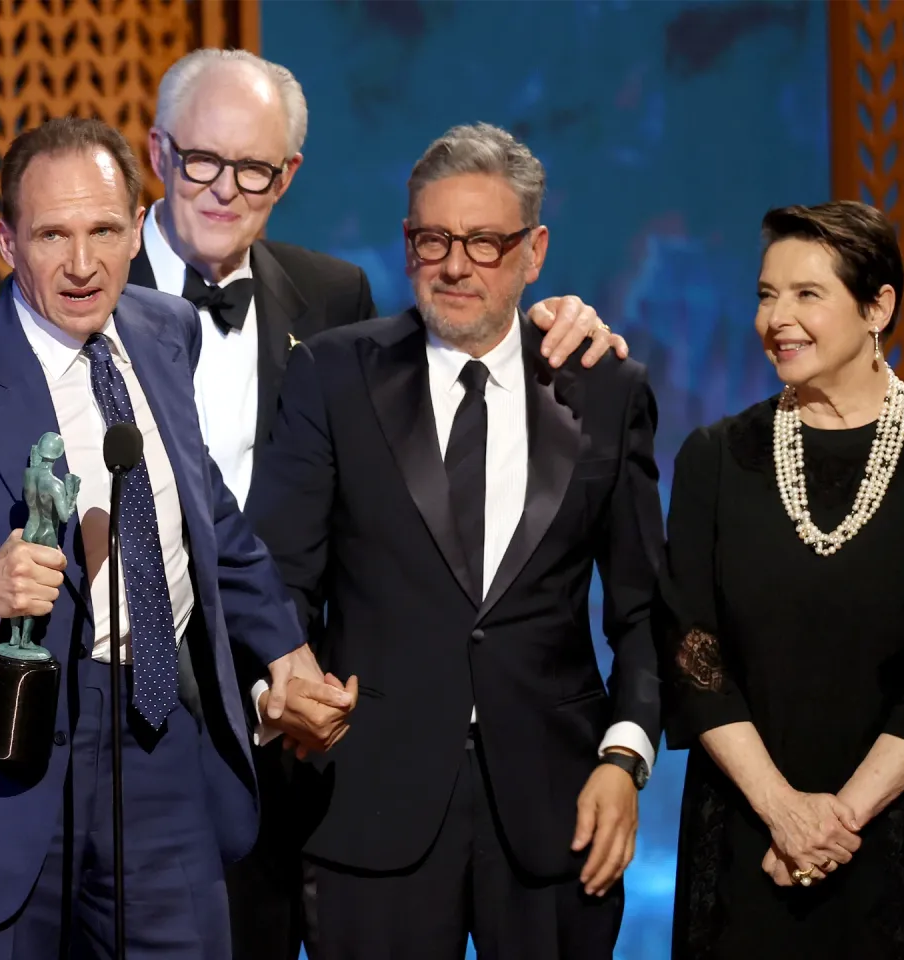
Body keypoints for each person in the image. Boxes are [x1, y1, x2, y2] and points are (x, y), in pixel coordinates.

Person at [0, 117, 351, 960]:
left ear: (138, 229)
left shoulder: (165, 335)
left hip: (161, 737)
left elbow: (207, 517)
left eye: (103, 230)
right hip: (0, 761)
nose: (82, 263)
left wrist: (284, 650)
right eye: (53, 234)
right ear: (6, 241)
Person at [132, 47, 633, 960]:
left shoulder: (325, 299)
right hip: (124, 711)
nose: (222, 188)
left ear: (286, 176)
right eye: (203, 160)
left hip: (293, 737)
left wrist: (559, 323)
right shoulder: (79, 290)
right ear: (159, 153)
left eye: (252, 169)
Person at [244, 122, 665, 960]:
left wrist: (625, 759)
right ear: (407, 245)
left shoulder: (604, 387)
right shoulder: (334, 374)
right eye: (433, 238)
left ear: (534, 251)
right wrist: (283, 682)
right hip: (370, 804)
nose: (456, 263)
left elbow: (644, 608)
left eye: (484, 241)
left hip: (559, 808)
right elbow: (280, 573)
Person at [661, 200, 904, 959]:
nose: (776, 318)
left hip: (898, 847)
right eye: (765, 294)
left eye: (806, 294)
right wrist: (782, 813)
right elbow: (693, 653)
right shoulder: (715, 461)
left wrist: (830, 825)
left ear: (878, 305)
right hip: (749, 845)